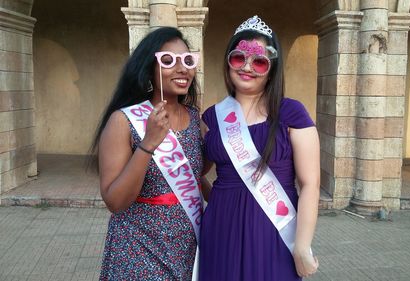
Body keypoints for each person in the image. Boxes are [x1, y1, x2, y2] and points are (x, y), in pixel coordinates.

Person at [199, 15, 320, 280]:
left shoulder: (291, 113)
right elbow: (195, 173)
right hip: (221, 229)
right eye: (239, 58)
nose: (247, 67)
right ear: (228, 62)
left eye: (260, 61)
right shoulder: (212, 117)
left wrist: (301, 245)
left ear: (271, 69)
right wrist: (218, 197)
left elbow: (310, 183)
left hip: (274, 232)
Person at [89, 27, 204, 280]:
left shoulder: (196, 118)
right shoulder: (123, 120)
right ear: (149, 68)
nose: (182, 68)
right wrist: (148, 143)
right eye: (168, 60)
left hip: (187, 248)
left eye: (187, 60)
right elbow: (115, 201)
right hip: (138, 247)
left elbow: (197, 175)